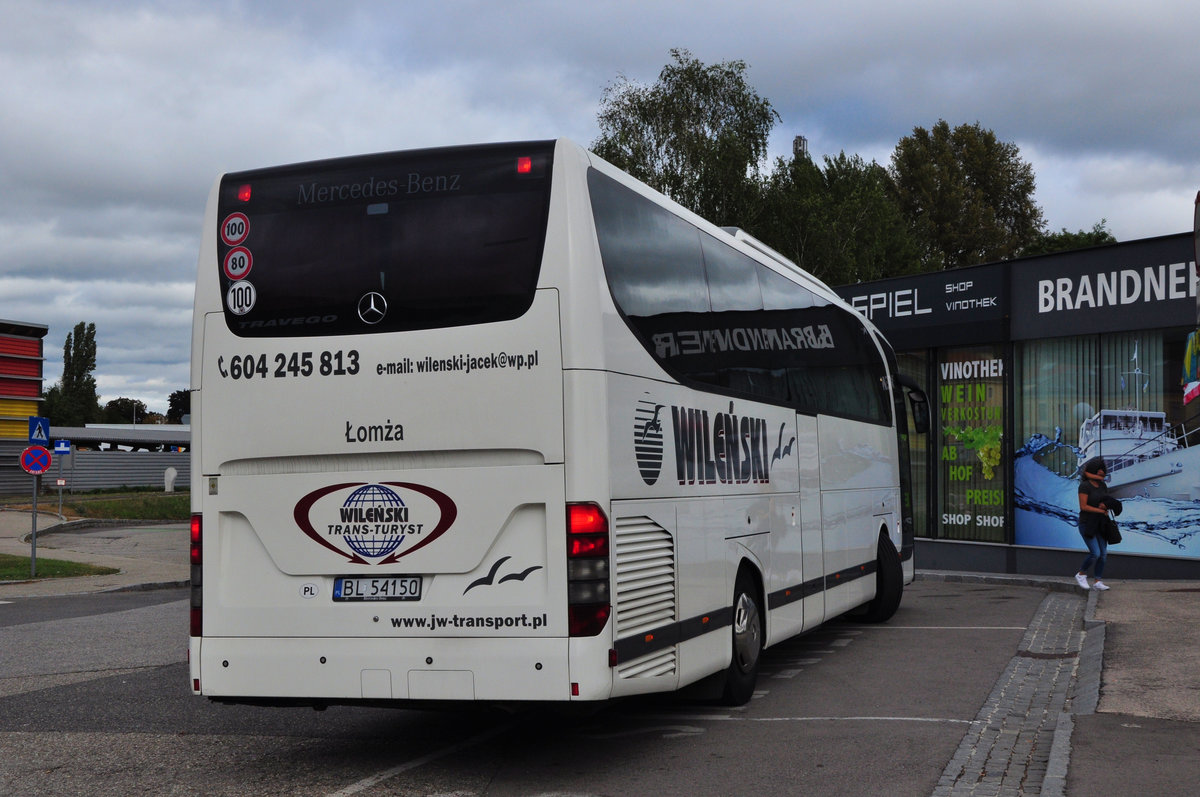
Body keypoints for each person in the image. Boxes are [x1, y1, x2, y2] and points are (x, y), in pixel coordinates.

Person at [1075, 456, 1113, 591]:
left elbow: (1106, 500)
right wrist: (1099, 510)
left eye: (1103, 472)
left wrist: (1106, 506)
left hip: (1100, 524)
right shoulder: (1084, 486)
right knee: (1095, 553)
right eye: (1099, 472)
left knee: (1103, 554)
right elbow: (1083, 507)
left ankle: (1098, 581)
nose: (1101, 474)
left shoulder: (1103, 485)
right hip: (1087, 523)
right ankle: (1081, 574)